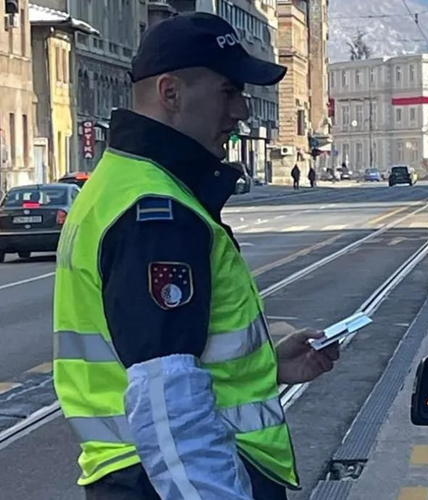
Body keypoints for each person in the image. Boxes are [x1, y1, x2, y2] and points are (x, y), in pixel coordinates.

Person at [52, 12, 339, 500]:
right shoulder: (155, 211)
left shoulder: (122, 185)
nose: (242, 111)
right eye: (229, 91)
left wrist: (265, 366)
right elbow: (167, 396)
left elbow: (166, 356)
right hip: (172, 479)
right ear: (171, 94)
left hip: (139, 475)